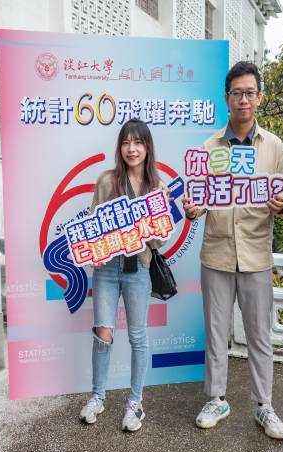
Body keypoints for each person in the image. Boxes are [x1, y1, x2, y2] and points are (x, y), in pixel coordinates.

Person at [182, 61, 283, 439]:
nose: (243, 100)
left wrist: (282, 206)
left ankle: (265, 405)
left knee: (260, 335)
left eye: (250, 93)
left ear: (259, 98)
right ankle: (216, 399)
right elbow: (196, 201)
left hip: (257, 256)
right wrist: (191, 209)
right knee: (216, 333)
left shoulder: (274, 147)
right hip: (216, 255)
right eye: (236, 93)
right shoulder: (208, 148)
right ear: (226, 98)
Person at [79, 118, 169, 432]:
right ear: (120, 147)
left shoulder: (157, 187)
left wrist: (153, 223)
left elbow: (159, 242)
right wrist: (94, 251)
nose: (132, 149)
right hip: (106, 270)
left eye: (138, 142)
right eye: (126, 142)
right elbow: (92, 227)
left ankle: (135, 403)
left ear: (147, 148)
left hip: (138, 270)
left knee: (137, 337)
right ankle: (98, 396)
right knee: (103, 334)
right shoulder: (107, 181)